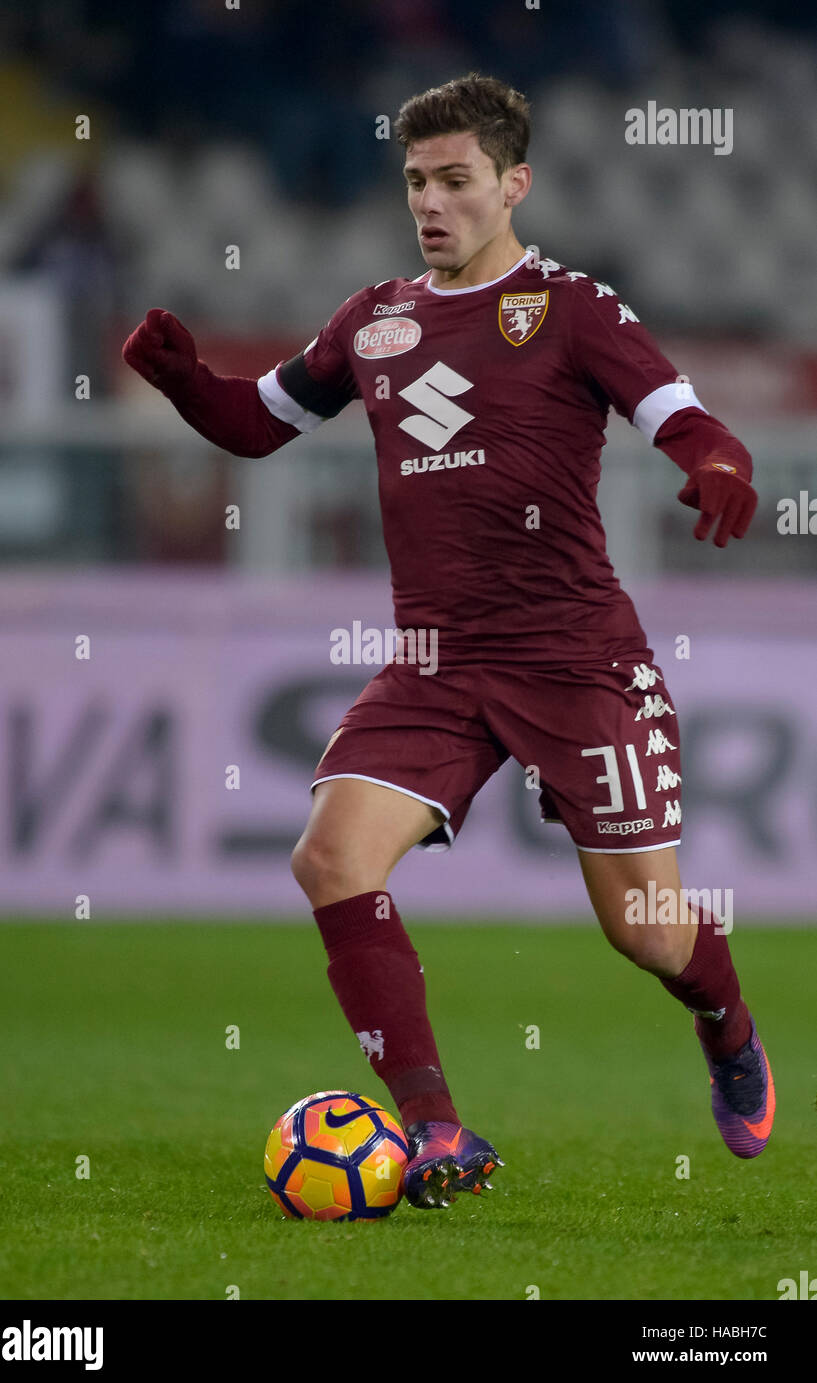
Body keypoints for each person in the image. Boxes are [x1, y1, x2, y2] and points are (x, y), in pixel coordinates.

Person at [123, 73, 773, 1211]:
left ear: (513, 185)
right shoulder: (370, 321)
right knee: (329, 857)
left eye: (456, 181)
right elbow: (255, 423)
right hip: (437, 662)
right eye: (417, 181)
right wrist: (185, 383)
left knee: (648, 931)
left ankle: (724, 1023)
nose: (431, 201)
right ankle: (435, 1132)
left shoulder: (571, 308)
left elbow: (683, 418)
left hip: (578, 659)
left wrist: (719, 466)